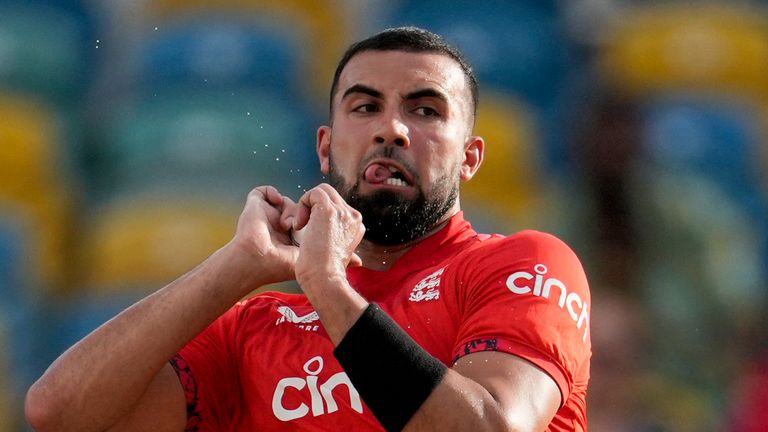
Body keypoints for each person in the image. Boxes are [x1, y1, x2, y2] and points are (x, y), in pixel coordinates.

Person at [25, 26, 591, 431]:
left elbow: (494, 428)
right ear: (325, 147)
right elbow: (59, 413)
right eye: (365, 107)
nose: (391, 128)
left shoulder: (522, 265)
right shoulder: (253, 329)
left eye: (425, 111)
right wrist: (234, 266)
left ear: (470, 157)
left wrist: (328, 286)